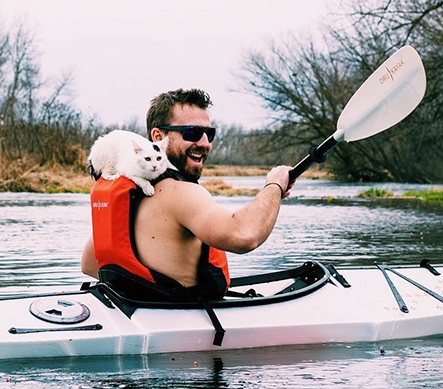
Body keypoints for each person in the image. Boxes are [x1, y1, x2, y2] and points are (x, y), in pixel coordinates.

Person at [81, 88, 293, 301]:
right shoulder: (183, 193)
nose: (203, 143)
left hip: (136, 310)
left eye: (209, 134)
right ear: (158, 136)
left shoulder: (130, 188)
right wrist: (274, 186)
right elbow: (244, 236)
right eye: (191, 132)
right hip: (181, 320)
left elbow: (90, 263)